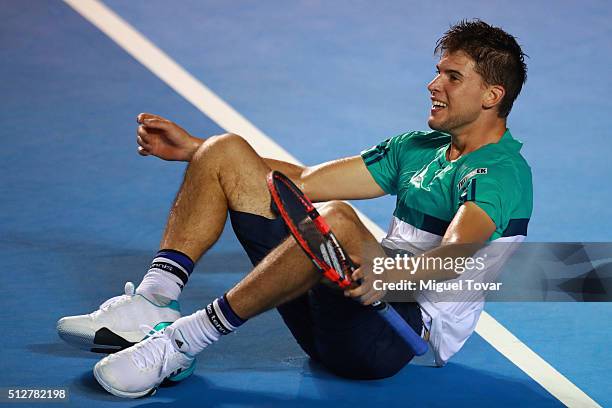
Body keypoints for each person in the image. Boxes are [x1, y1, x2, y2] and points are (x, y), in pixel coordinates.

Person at [57, 19, 532, 398]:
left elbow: (454, 257)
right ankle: (154, 301)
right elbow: (303, 182)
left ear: (492, 96)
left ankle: (178, 344)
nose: (433, 85)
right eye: (437, 72)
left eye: (453, 77)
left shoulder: (499, 173)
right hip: (343, 313)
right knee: (226, 149)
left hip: (394, 336)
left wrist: (387, 277)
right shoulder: (419, 148)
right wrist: (196, 150)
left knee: (341, 220)